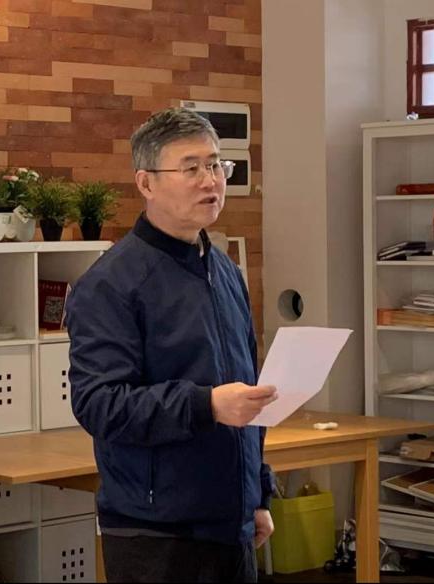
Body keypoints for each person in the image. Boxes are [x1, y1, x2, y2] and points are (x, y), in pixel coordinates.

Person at [64, 108, 278, 583]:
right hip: (156, 534)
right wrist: (207, 405)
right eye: (191, 168)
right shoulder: (110, 284)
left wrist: (257, 494)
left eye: (216, 164)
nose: (210, 180)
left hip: (231, 525)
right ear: (146, 183)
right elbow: (100, 404)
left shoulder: (225, 271)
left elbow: (246, 390)